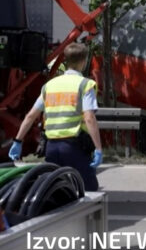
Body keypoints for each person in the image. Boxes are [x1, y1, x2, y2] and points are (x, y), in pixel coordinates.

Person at [8, 43, 102, 191]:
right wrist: (98, 148)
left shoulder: (49, 86)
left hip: (51, 147)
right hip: (74, 146)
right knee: (89, 189)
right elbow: (89, 117)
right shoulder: (85, 84)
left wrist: (18, 141)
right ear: (84, 61)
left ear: (66, 60)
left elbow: (31, 115)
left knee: (55, 190)